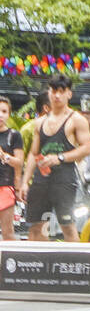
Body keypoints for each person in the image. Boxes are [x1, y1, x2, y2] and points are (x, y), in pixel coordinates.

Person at [19, 75, 90, 242]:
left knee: (67, 225)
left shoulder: (77, 120)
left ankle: (74, 265)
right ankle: (37, 264)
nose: (57, 95)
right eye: (53, 91)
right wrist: (24, 181)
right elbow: (33, 153)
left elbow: (87, 148)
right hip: (40, 180)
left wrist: (60, 157)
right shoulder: (40, 122)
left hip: (64, 180)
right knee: (37, 226)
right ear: (49, 93)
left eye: (61, 91)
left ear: (69, 94)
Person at [0, 96, 24, 240]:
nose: (0, 115)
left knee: (7, 231)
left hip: (5, 186)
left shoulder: (14, 135)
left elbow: (19, 162)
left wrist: (4, 156)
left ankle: (10, 261)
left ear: (9, 114)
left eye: (4, 111)